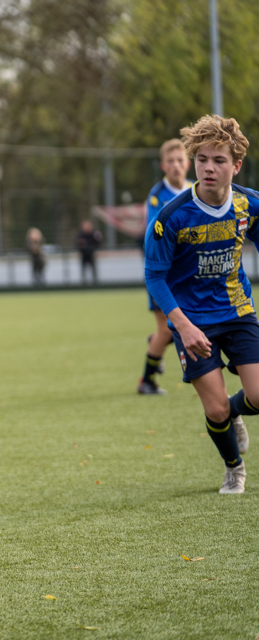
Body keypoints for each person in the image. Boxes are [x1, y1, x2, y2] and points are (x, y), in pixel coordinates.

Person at [145, 115, 258, 494]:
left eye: (219, 160)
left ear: (236, 166)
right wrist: (182, 325)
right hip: (192, 321)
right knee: (215, 410)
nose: (209, 168)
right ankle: (234, 468)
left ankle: (236, 411)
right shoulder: (171, 216)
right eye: (202, 159)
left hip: (238, 311)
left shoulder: (249, 204)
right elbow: (154, 276)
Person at [138, 139, 193, 395]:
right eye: (170, 161)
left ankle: (157, 343)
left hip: (188, 273)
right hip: (163, 275)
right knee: (167, 329)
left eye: (180, 160)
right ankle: (146, 381)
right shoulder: (157, 196)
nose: (176, 165)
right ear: (163, 166)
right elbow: (155, 234)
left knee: (181, 327)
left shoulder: (195, 190)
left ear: (188, 163)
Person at [78, 220, 102, 284]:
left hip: (91, 254)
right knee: (83, 270)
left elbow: (98, 243)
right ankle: (83, 284)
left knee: (94, 270)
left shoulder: (94, 234)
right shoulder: (81, 235)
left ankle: (95, 283)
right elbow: (77, 244)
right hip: (84, 255)